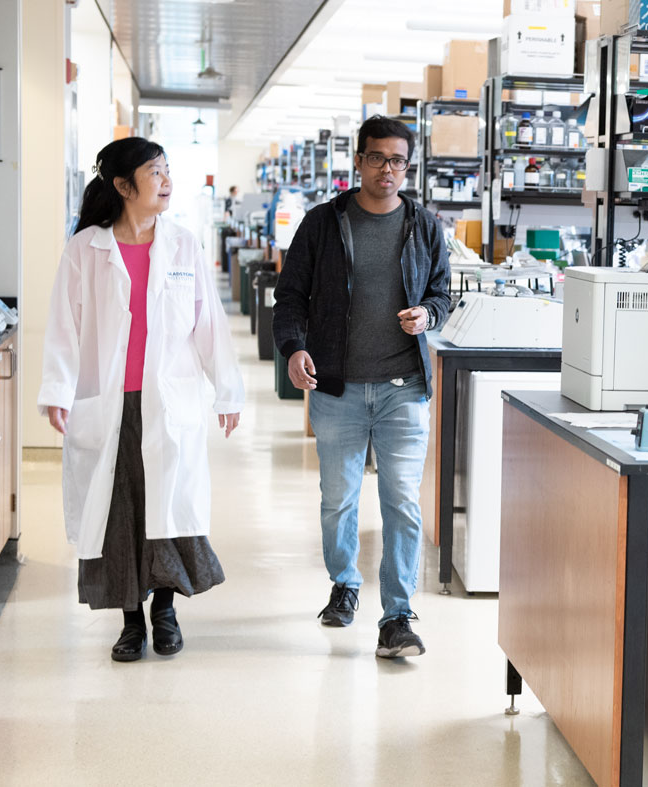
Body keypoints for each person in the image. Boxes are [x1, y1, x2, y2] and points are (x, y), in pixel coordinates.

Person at [39, 137, 244, 663]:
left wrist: (227, 389)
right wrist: (58, 391)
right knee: (121, 513)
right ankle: (131, 622)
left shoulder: (182, 244)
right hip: (109, 404)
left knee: (168, 508)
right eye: (156, 171)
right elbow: (64, 328)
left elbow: (207, 324)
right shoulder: (86, 249)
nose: (167, 179)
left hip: (167, 401)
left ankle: (166, 614)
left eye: (168, 169)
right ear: (124, 185)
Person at [273, 115, 451, 659]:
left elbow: (443, 294)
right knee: (338, 499)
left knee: (401, 500)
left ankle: (397, 616)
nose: (388, 170)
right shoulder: (323, 223)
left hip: (403, 386)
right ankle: (345, 583)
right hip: (338, 388)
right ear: (359, 160)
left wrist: (428, 313)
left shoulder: (424, 225)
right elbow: (290, 298)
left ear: (408, 165)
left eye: (398, 160)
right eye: (377, 158)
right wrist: (295, 348)